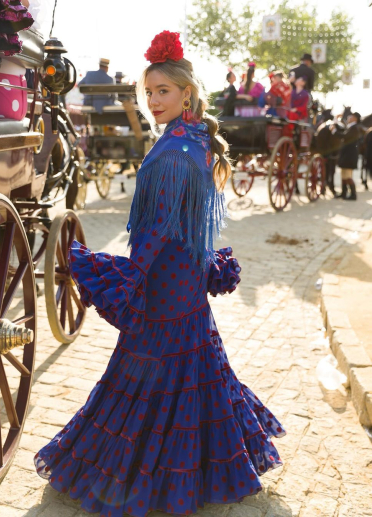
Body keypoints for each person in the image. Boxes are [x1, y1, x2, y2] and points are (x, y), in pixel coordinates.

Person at [34, 30, 286, 516]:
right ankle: (204, 470)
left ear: (186, 93)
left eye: (162, 91)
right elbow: (189, 222)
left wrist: (125, 273)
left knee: (149, 372)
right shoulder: (191, 141)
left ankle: (141, 476)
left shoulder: (173, 152)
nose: (152, 101)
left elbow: (156, 227)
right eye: (148, 93)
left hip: (166, 284)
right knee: (196, 369)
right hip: (186, 279)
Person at [335, 112, 364, 200]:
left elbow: (345, 136)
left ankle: (353, 194)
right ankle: (344, 193)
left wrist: (334, 131)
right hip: (346, 155)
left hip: (349, 155)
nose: (349, 117)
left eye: (351, 116)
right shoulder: (351, 127)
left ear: (355, 118)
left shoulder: (354, 128)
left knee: (347, 176)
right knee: (343, 175)